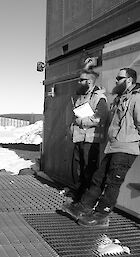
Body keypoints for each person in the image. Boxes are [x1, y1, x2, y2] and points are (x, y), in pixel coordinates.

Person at [63, 67, 140, 228]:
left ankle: (101, 215)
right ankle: (85, 206)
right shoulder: (122, 98)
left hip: (126, 147)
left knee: (113, 182)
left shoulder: (137, 98)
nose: (116, 81)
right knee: (99, 178)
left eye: (119, 78)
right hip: (114, 146)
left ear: (129, 80)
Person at [69, 69, 108, 202]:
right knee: (78, 169)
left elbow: (99, 118)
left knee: (89, 170)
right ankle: (79, 196)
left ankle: (88, 200)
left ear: (89, 81)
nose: (79, 82)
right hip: (79, 138)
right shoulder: (81, 97)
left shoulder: (99, 98)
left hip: (91, 140)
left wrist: (81, 121)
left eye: (81, 80)